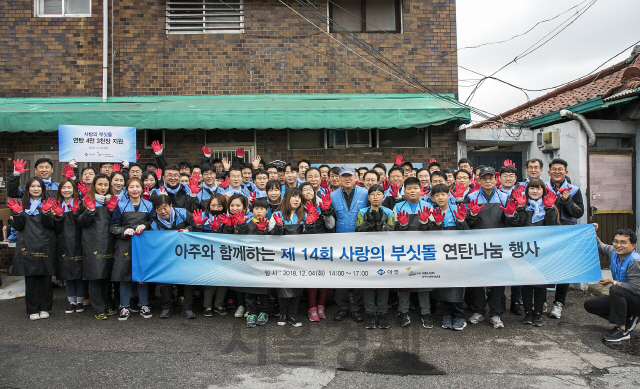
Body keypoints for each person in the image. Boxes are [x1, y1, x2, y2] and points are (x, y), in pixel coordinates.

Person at [464, 166, 518, 329]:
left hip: (498, 245)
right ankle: (479, 310)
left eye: (491, 178)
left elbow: (512, 224)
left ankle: (495, 313)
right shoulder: (471, 196)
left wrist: (510, 215)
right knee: (478, 280)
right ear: (478, 180)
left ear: (496, 180)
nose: (488, 181)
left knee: (497, 280)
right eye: (484, 178)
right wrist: (472, 215)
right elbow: (467, 224)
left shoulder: (505, 196)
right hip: (478, 245)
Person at [7, 178, 57, 320]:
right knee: (30, 278)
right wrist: (17, 214)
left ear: (43, 188)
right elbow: (18, 227)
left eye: (38, 186)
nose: (36, 189)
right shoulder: (22, 204)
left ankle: (45, 308)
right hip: (27, 244)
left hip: (45, 244)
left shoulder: (49, 203)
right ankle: (32, 308)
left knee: (45, 278)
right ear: (28, 189)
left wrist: (47, 213)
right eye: (33, 186)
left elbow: (53, 225)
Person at [513, 178, 560, 326]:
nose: (534, 191)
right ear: (527, 190)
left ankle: (538, 313)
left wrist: (550, 209)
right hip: (526, 251)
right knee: (526, 284)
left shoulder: (549, 207)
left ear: (543, 191)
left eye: (538, 188)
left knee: (540, 285)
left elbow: (553, 228)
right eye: (532, 188)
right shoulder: (523, 206)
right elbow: (517, 226)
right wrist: (520, 209)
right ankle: (527, 312)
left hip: (542, 252)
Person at [269, 188, 317, 327]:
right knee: (282, 286)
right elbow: (271, 236)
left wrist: (310, 225)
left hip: (299, 257)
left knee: (297, 285)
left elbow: (310, 238)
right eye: (294, 197)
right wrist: (278, 226)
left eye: (299, 198)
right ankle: (283, 313)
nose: (297, 200)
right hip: (282, 257)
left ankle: (293, 315)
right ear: (286, 198)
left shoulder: (305, 215)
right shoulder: (277, 214)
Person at [584, 225, 640, 342]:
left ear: (633, 245)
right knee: (590, 305)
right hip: (623, 297)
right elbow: (600, 246)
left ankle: (622, 330)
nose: (618, 245)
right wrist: (592, 232)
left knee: (615, 289)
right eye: (616, 241)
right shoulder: (613, 252)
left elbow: (636, 289)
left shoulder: (635, 261)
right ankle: (627, 318)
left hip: (636, 299)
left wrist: (612, 281)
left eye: (623, 243)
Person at [150, 195, 200, 319]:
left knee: (188, 279)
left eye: (165, 207)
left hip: (185, 254)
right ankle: (166, 306)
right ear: (155, 210)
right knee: (163, 281)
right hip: (165, 256)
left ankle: (187, 308)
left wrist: (188, 230)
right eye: (159, 209)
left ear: (170, 205)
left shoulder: (183, 213)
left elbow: (196, 226)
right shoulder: (153, 223)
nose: (163, 211)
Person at [546, 158, 585, 320]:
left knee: (564, 269)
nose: (557, 172)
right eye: (554, 169)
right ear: (548, 172)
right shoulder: (544, 188)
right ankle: (542, 301)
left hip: (567, 233)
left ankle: (559, 302)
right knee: (546, 266)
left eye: (560, 169)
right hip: (548, 233)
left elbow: (578, 212)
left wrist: (567, 200)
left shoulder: (574, 191)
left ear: (566, 172)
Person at [110, 178, 153, 321]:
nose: (135, 190)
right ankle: (124, 306)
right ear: (127, 190)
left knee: (142, 276)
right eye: (131, 187)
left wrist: (145, 226)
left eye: (137, 187)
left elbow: (154, 223)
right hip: (124, 244)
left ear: (142, 189)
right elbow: (113, 226)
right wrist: (123, 231)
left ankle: (144, 304)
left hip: (143, 244)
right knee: (124, 275)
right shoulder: (120, 205)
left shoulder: (149, 205)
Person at [393, 177, 433, 328]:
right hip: (404, 250)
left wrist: (425, 223)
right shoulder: (398, 206)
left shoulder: (427, 206)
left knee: (424, 282)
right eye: (408, 188)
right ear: (404, 191)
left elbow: (433, 230)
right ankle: (403, 312)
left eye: (415, 188)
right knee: (404, 282)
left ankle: (426, 312)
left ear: (420, 190)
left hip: (423, 250)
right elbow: (393, 230)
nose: (412, 191)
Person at [428, 184, 469, 330]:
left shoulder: (458, 210)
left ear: (449, 195)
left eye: (443, 194)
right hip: (438, 255)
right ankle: (446, 314)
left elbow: (467, 234)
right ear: (432, 197)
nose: (440, 197)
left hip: (455, 255)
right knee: (441, 286)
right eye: (437, 195)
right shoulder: (430, 212)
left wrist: (462, 221)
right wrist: (437, 224)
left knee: (455, 286)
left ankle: (459, 316)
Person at [331, 165, 368, 322]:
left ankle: (356, 307)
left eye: (350, 176)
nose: (347, 179)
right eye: (344, 176)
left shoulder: (365, 193)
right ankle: (342, 307)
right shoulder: (332, 195)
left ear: (356, 178)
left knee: (359, 275)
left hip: (360, 241)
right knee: (341, 276)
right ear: (339, 178)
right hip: (340, 241)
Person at [78, 174, 118, 320]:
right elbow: (81, 222)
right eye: (100, 184)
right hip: (92, 244)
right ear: (94, 185)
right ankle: (98, 308)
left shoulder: (112, 201)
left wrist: (112, 211)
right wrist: (89, 211)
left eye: (106, 185)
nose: (103, 188)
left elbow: (116, 223)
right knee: (95, 277)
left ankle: (108, 305)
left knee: (107, 276)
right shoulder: (87, 201)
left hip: (109, 243)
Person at [356, 184, 395, 329]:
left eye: (379, 194)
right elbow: (358, 229)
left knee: (383, 285)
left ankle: (383, 314)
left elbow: (393, 231)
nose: (375, 196)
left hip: (384, 253)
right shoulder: (362, 212)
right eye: (372, 194)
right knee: (368, 285)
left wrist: (382, 225)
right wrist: (369, 224)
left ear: (383, 197)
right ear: (368, 197)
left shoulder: (389, 212)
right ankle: (370, 315)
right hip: (367, 253)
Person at [232, 198, 271, 328]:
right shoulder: (247, 222)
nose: (259, 211)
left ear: (267, 210)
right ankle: (252, 312)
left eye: (262, 209)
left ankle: (264, 312)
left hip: (264, 262)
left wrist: (262, 231)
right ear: (251, 210)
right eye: (256, 209)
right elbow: (239, 238)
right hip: (249, 262)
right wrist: (240, 225)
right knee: (249, 290)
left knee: (264, 290)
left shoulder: (269, 224)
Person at [53, 178, 85, 314]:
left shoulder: (80, 203)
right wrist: (58, 217)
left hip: (79, 242)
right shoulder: (56, 205)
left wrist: (77, 213)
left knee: (79, 272)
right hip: (63, 242)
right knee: (68, 273)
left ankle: (80, 301)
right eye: (64, 188)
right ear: (60, 190)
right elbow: (53, 227)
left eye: (69, 187)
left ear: (74, 189)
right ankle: (71, 300)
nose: (67, 190)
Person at [199, 194, 230, 316]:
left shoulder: (227, 217)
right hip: (207, 253)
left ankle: (219, 304)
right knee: (210, 280)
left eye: (219, 205)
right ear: (208, 205)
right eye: (213, 205)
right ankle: (207, 306)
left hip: (224, 253)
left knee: (223, 279)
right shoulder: (202, 216)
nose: (216, 208)